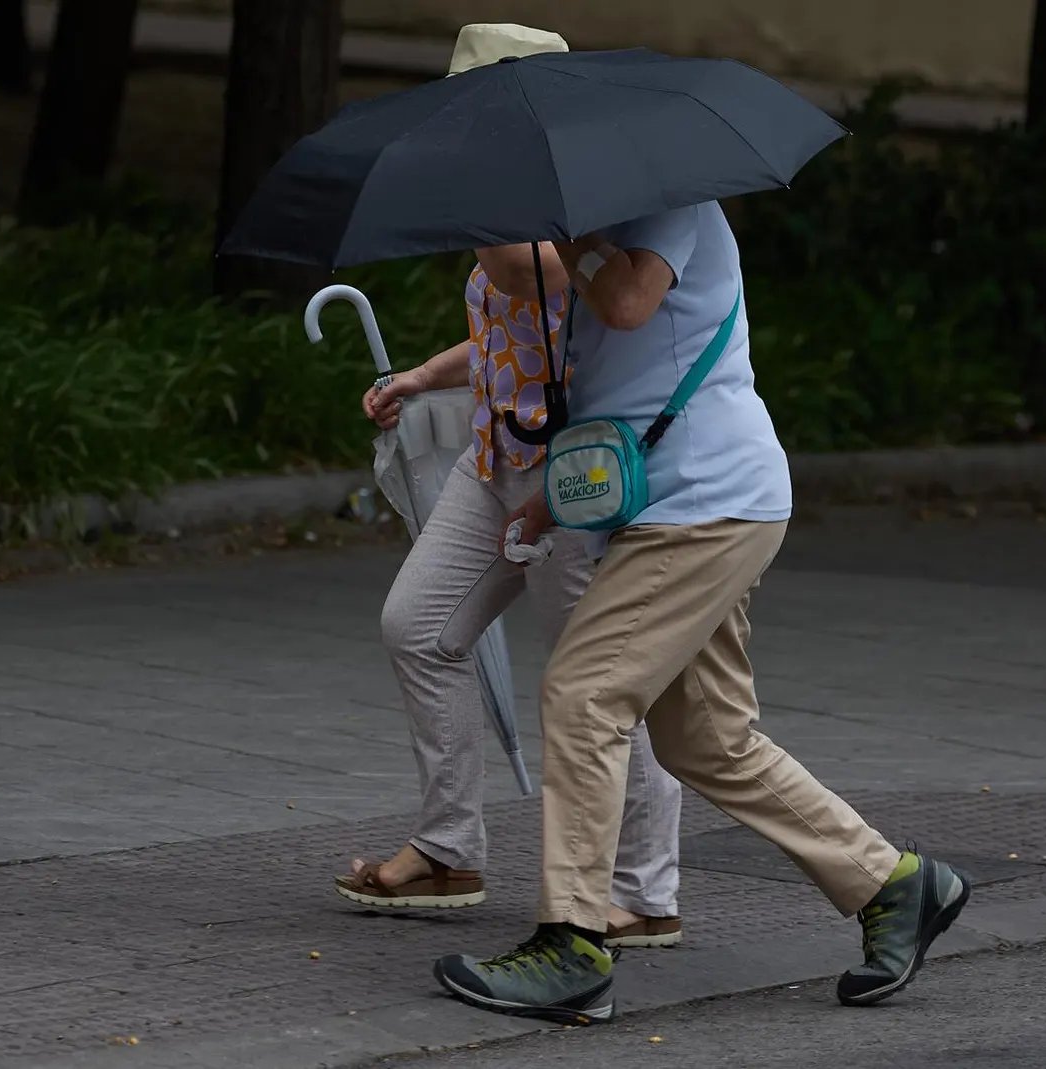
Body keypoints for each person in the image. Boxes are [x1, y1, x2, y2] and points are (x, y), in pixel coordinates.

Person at [432, 199, 973, 1020]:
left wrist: (570, 243)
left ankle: (572, 945)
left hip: (706, 504)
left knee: (584, 696)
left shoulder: (676, 203)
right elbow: (622, 379)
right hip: (676, 504)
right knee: (706, 737)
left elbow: (628, 301)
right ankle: (894, 883)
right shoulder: (602, 229)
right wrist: (548, 498)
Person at [334, 22, 687, 951]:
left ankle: (647, 889)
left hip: (570, 477)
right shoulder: (505, 193)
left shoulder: (573, 205)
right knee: (418, 626)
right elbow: (499, 324)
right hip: (492, 464)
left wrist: (471, 181)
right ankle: (451, 846)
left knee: (598, 684)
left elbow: (515, 274)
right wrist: (422, 376)